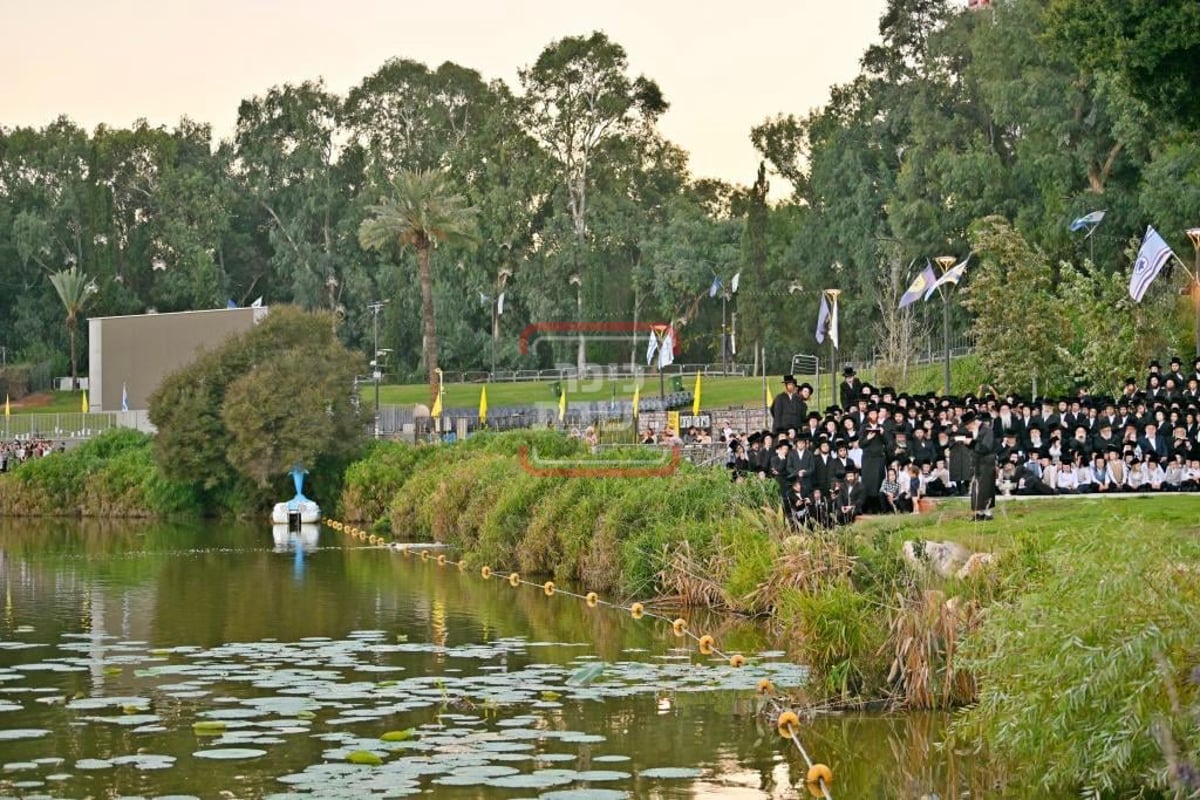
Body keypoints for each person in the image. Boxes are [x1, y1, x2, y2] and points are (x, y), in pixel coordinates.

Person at [961, 411, 997, 520]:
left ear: (974, 423)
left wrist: (971, 443)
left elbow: (986, 448)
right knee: (976, 487)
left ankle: (987, 512)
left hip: (986, 462)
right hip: (977, 463)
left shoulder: (987, 430)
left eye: (968, 426)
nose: (968, 429)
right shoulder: (976, 431)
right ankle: (979, 512)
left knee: (985, 488)